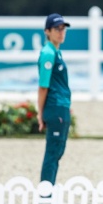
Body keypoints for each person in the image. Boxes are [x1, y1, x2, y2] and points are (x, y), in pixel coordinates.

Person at [37, 13, 72, 185]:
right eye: (57, 29)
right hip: (55, 106)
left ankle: (48, 188)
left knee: (58, 151)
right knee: (53, 151)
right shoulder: (48, 54)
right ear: (47, 31)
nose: (61, 32)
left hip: (61, 106)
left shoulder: (56, 53)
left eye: (63, 29)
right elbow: (43, 86)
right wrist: (41, 112)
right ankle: (45, 191)